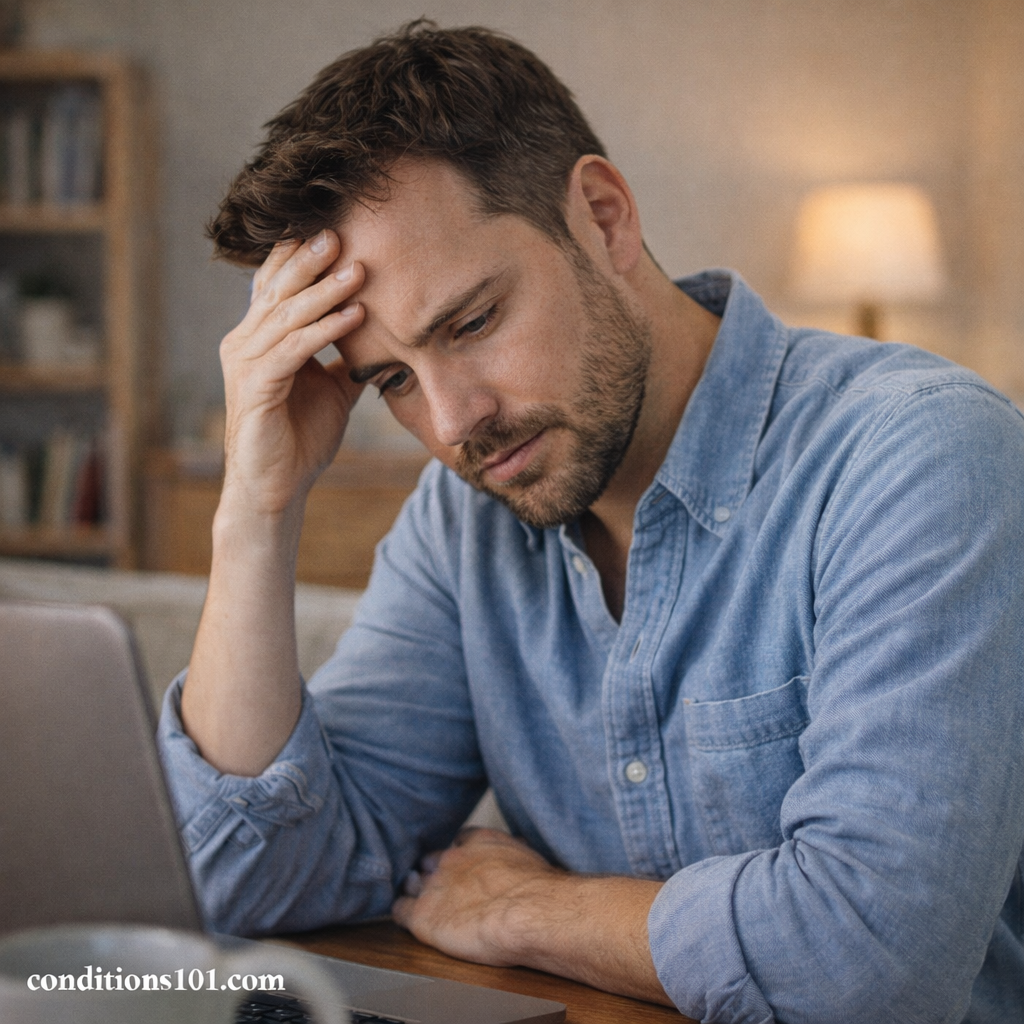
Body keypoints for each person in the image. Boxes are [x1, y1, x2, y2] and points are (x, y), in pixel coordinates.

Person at [158, 20, 1024, 1023]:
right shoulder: (464, 522)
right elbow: (246, 881)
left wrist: (532, 910)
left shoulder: (919, 457)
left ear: (604, 218)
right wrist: (255, 508)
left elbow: (869, 962)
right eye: (390, 379)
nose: (450, 424)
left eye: (472, 321)